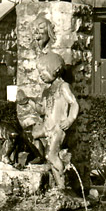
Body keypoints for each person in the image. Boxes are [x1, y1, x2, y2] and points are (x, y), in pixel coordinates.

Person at [31, 52, 79, 189]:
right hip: (47, 126)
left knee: (52, 155)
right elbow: (42, 111)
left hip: (58, 128)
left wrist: (70, 120)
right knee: (31, 135)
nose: (41, 75)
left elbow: (74, 103)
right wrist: (29, 102)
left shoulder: (63, 86)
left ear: (56, 70)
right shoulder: (47, 91)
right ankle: (41, 158)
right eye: (39, 72)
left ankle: (62, 184)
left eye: (43, 72)